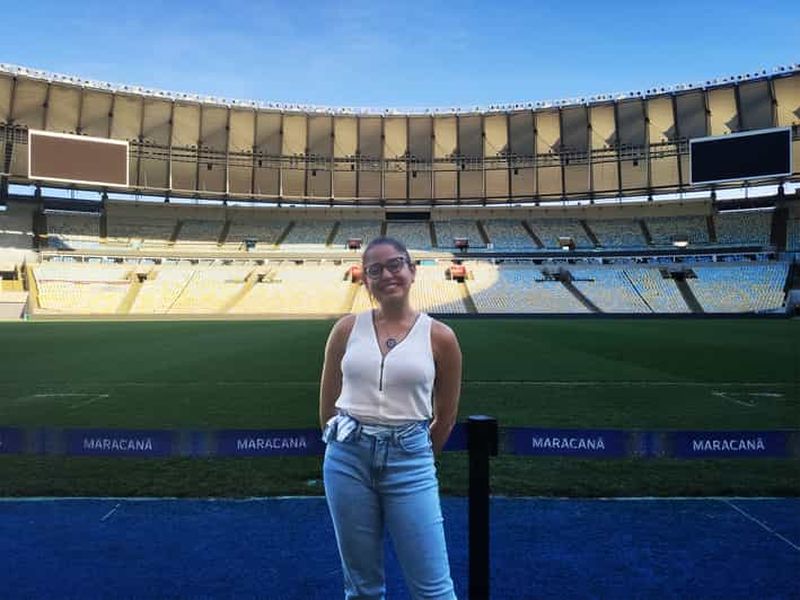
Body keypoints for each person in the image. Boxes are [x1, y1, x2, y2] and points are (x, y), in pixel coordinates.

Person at [319, 236, 462, 600]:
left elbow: (445, 417)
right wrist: (343, 444)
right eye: (374, 269)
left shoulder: (441, 337)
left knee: (434, 590)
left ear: (412, 271)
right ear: (365, 280)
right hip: (347, 460)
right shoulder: (346, 329)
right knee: (362, 589)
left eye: (395, 264)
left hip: (410, 461)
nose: (387, 274)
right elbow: (327, 405)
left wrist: (414, 453)